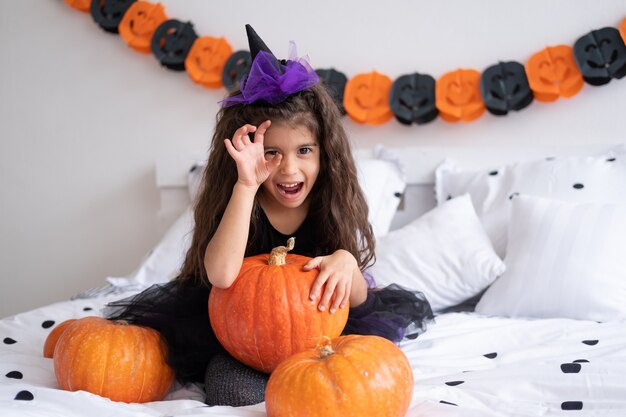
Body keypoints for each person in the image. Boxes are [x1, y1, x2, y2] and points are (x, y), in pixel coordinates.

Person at [106, 25, 433, 406]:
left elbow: (357, 299)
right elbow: (222, 275)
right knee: (231, 391)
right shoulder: (242, 202)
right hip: (242, 341)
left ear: (325, 153)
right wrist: (245, 186)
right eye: (272, 153)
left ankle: (303, 385)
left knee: (364, 374)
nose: (289, 170)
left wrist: (346, 263)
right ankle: (286, 388)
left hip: (321, 338)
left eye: (304, 151)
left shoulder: (330, 205)